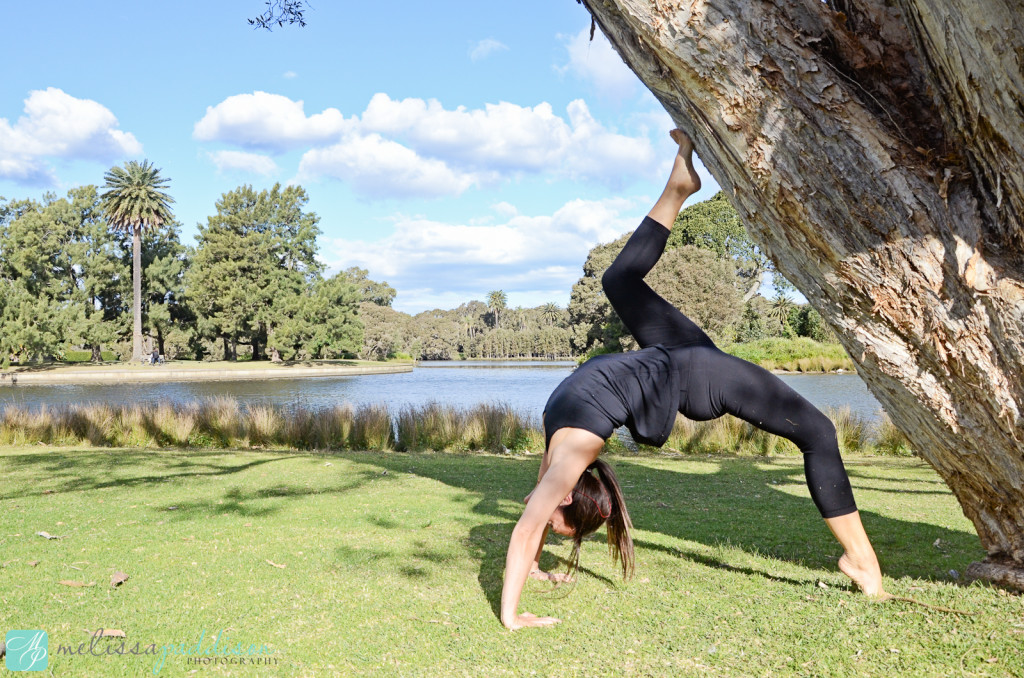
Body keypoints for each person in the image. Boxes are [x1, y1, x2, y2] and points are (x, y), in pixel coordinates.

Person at [500, 130, 886, 630]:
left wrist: (512, 616)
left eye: (554, 522)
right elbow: (534, 522)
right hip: (678, 368)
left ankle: (680, 184)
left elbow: (525, 528)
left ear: (568, 494)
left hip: (692, 370)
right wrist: (534, 566)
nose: (544, 518)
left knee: (618, 281)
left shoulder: (569, 456)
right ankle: (862, 560)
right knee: (819, 432)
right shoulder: (561, 451)